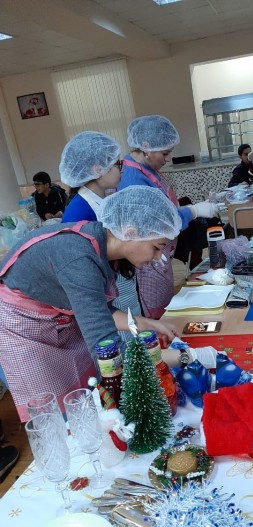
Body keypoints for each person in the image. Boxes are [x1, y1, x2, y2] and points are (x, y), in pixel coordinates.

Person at [0, 185, 191, 423]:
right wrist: (179, 357)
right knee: (56, 413)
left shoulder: (102, 246)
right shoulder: (80, 257)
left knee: (85, 395)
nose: (157, 257)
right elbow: (105, 348)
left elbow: (97, 308)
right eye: (157, 247)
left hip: (54, 317)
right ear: (130, 232)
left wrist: (145, 323)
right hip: (22, 327)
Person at [118, 115, 218, 319]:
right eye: (165, 153)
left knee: (167, 310)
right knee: (156, 318)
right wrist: (193, 211)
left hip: (162, 256)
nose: (168, 158)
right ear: (146, 147)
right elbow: (155, 223)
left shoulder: (147, 169)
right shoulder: (132, 179)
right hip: (147, 262)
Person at [60, 131, 123, 222]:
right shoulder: (78, 213)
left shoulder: (98, 198)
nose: (122, 170)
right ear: (98, 170)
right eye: (118, 164)